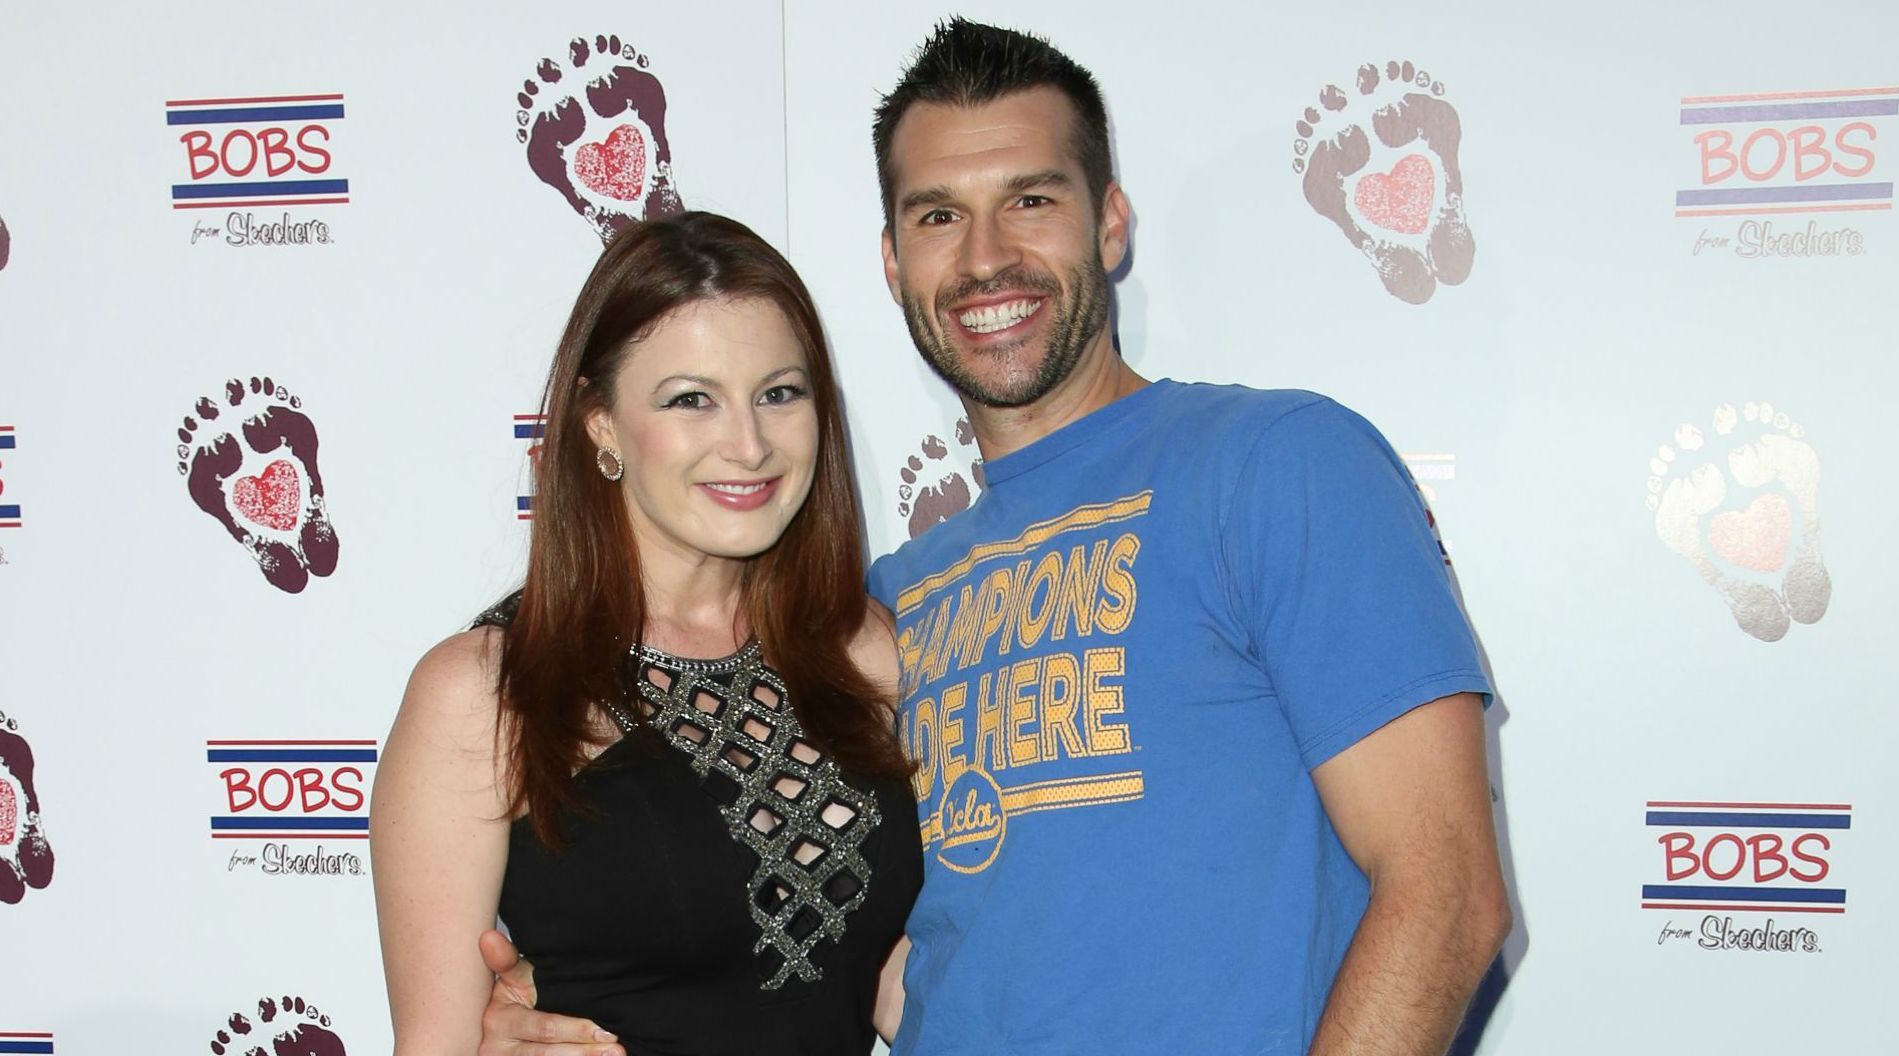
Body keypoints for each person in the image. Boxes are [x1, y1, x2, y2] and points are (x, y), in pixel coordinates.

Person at [478, 20, 1511, 1056]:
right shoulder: (881, 610)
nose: (985, 258)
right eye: (939, 215)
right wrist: (558, 999)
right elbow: (846, 953)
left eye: (1030, 200)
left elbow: (1447, 893)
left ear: (1111, 224)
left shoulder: (1276, 466)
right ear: (894, 263)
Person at [370, 211, 921, 1056]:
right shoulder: (485, 693)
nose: (748, 444)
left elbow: (897, 982)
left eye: (779, 393)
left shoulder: (866, 651)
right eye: (691, 400)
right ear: (601, 425)